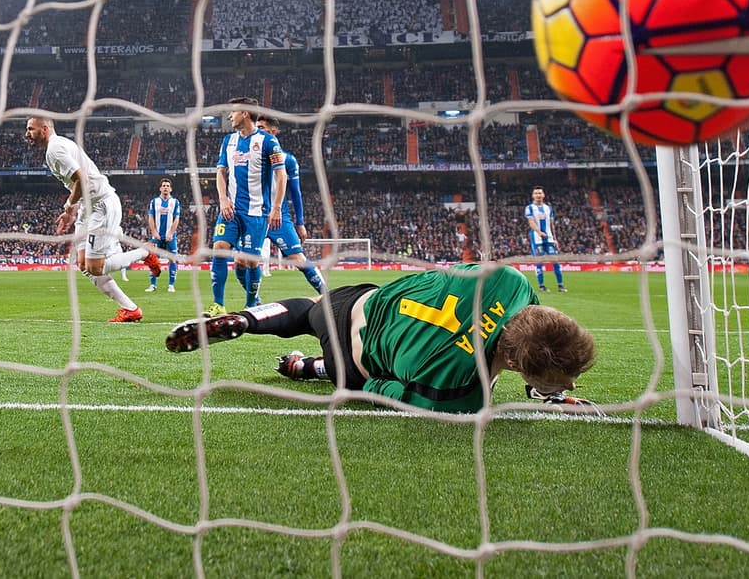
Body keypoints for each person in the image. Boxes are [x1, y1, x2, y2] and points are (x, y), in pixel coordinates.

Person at [166, 263, 596, 414]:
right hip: (352, 365)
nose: (573, 382)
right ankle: (306, 367)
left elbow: (436, 278)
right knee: (362, 374)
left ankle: (244, 319)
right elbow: (380, 389)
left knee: (309, 308)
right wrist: (543, 390)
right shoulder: (464, 396)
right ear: (517, 363)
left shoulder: (510, 281)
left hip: (362, 303)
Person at [24, 116, 163, 323]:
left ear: (44, 129)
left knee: (95, 267)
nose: (27, 134)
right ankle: (130, 309)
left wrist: (69, 205)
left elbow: (82, 179)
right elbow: (77, 184)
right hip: (88, 207)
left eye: (30, 129)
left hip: (101, 205)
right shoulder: (57, 146)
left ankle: (144, 252)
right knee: (83, 265)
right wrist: (71, 212)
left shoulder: (55, 149)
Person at [205, 97, 286, 316]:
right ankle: (218, 304)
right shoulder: (228, 141)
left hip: (256, 212)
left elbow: (281, 175)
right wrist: (223, 199)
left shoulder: (268, 141)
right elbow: (221, 172)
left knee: (250, 261)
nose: (230, 116)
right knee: (219, 248)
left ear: (245, 113)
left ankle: (251, 304)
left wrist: (276, 207)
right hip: (231, 210)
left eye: (233, 112)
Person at [252, 115, 326, 296]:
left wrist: (300, 222)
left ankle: (327, 296)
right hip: (253, 215)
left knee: (298, 259)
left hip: (279, 217)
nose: (257, 131)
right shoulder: (248, 155)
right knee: (247, 261)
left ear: (273, 132)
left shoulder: (288, 160)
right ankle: (254, 301)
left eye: (261, 128)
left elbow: (295, 192)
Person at [525, 186, 566, 293]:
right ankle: (542, 286)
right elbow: (531, 222)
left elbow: (551, 225)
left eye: (540, 193)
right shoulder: (529, 208)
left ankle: (561, 285)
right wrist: (539, 232)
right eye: (536, 193)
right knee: (539, 262)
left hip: (549, 239)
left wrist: (555, 239)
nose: (538, 195)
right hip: (537, 239)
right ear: (533, 196)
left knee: (555, 261)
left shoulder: (548, 208)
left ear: (543, 195)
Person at [146, 178, 181, 293]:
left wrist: (170, 233)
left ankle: (171, 285)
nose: (165, 187)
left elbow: (176, 219)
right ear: (160, 188)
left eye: (167, 186)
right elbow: (151, 217)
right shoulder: (154, 201)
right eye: (164, 186)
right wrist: (154, 232)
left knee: (172, 259)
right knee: (152, 259)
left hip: (170, 237)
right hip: (156, 236)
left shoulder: (175, 202)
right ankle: (153, 285)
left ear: (171, 189)